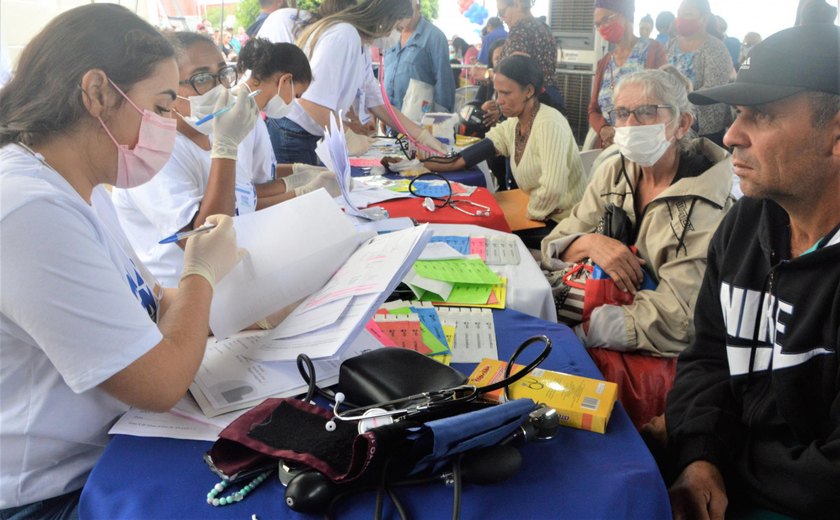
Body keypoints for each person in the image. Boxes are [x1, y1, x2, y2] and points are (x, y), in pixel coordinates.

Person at [0, 5, 243, 516]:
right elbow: (157, 382)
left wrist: (200, 298)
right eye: (159, 106)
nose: (169, 125)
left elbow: (154, 301)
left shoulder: (81, 188)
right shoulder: (29, 208)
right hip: (51, 493)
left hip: (108, 447)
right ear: (98, 93)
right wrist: (200, 272)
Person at [665, 24, 840, 519]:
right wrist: (699, 457)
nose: (730, 135)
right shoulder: (747, 222)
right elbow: (707, 355)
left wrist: (720, 463)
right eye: (738, 113)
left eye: (760, 116)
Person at [541, 67, 733, 380]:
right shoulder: (615, 171)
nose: (629, 125)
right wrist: (592, 243)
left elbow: (681, 319)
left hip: (664, 361)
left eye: (645, 112)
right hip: (601, 317)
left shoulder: (709, 201)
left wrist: (584, 331)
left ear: (682, 123)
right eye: (621, 113)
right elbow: (556, 243)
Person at [112, 33, 327, 288]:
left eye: (223, 74)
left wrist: (300, 184)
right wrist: (228, 148)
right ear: (166, 87)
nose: (218, 88)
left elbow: (244, 202)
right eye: (201, 78)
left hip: (231, 278)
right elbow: (204, 242)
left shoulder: (218, 131)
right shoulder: (152, 152)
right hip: (185, 296)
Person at [424, 55, 586, 236]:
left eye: (506, 93)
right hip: (539, 215)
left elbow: (553, 189)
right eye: (497, 92)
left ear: (529, 91)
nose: (499, 100)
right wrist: (419, 164)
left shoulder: (549, 123)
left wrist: (522, 217)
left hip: (562, 223)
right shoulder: (514, 124)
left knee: (480, 231)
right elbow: (465, 158)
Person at [271, 0, 446, 165]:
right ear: (384, 19)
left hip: (305, 132)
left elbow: (377, 102)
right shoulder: (344, 35)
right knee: (304, 193)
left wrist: (419, 134)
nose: (397, 36)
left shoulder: (361, 44)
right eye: (398, 28)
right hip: (292, 133)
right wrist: (347, 135)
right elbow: (309, 99)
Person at [589, 0, 667, 149]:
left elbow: (663, 101)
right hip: (609, 146)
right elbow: (593, 110)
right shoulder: (604, 63)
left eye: (606, 20)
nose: (602, 28)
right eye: (598, 24)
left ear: (624, 14)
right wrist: (603, 129)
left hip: (643, 145)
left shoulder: (653, 51)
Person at [666, 0, 734, 147]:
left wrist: (677, 106)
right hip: (673, 123)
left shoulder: (716, 48)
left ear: (704, 18)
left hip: (705, 128)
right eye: (679, 14)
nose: (681, 18)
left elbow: (713, 90)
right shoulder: (671, 44)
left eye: (687, 14)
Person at [383, 0, 456, 117]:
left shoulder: (434, 37)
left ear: (417, 5)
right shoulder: (390, 36)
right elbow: (385, 76)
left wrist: (438, 121)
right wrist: (384, 114)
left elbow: (444, 82)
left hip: (419, 122)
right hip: (390, 119)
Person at [494, 0, 566, 115]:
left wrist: (485, 74)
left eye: (502, 12)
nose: (502, 18)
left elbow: (513, 74)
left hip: (530, 104)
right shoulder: (544, 27)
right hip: (551, 97)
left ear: (517, 4)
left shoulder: (520, 30)